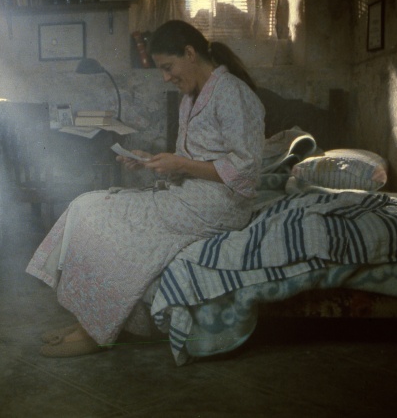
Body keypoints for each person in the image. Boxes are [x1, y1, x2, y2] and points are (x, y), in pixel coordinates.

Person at [26, 20, 265, 357]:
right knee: (86, 205)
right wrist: (151, 161)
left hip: (221, 206)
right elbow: (190, 161)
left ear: (190, 53)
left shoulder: (233, 93)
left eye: (168, 67)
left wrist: (179, 165)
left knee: (99, 216)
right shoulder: (191, 98)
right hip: (191, 196)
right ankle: (90, 320)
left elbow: (246, 171)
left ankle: (94, 331)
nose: (166, 78)